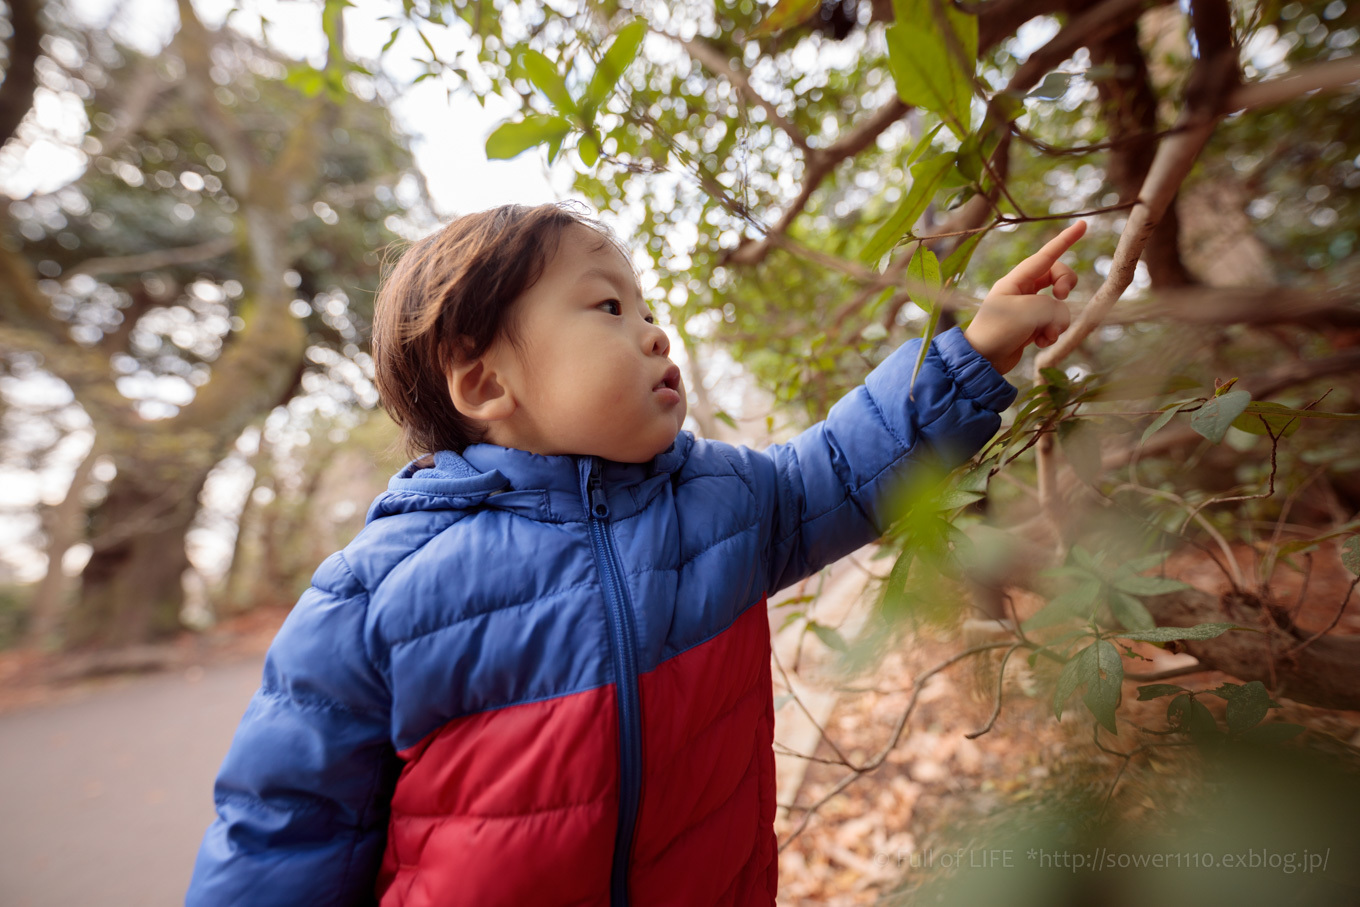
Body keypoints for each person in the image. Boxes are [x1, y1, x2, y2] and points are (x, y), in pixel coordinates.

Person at [185, 203, 1084, 906]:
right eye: (610, 307)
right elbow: (287, 828)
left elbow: (846, 463)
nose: (655, 332)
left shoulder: (724, 504)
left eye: (649, 309)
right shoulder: (375, 590)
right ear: (483, 381)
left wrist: (975, 348)